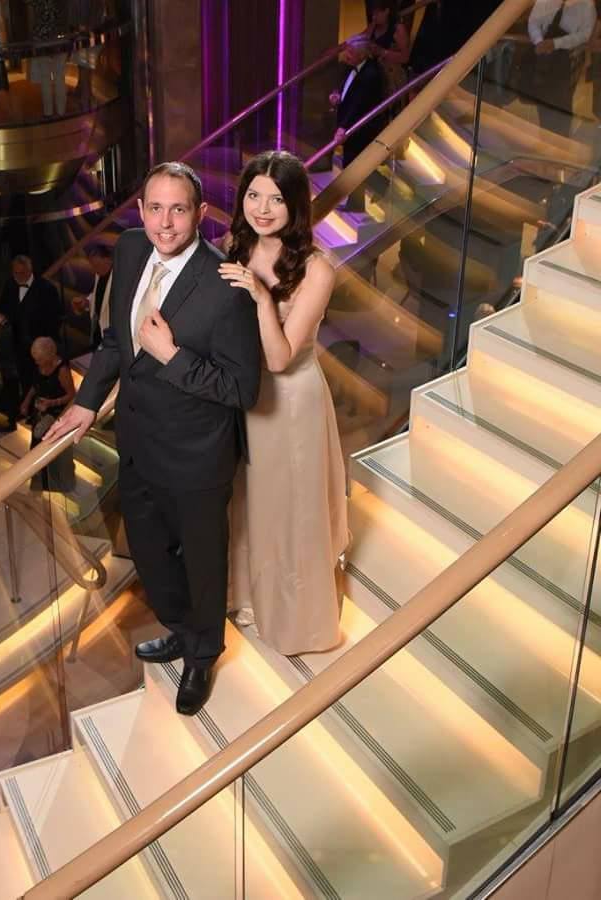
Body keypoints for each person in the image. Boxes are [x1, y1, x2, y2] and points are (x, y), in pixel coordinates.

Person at [43, 161, 261, 715]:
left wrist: (173, 357)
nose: (165, 223)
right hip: (138, 443)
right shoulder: (130, 249)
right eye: (156, 208)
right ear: (140, 210)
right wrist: (87, 400)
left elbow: (242, 389)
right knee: (148, 553)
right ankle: (182, 630)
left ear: (200, 214)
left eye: (178, 210)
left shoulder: (226, 286)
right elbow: (116, 340)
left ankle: (203, 654)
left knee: (203, 564)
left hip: (198, 456)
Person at [218, 150, 348, 657]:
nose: (262, 208)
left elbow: (279, 358)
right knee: (252, 501)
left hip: (291, 401)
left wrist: (259, 297)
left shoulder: (317, 269)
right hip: (244, 397)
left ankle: (297, 622)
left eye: (275, 199)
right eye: (253, 195)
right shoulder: (232, 247)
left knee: (291, 507)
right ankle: (252, 599)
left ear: (296, 205)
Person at [0, 254, 64, 430]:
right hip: (19, 346)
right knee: (25, 378)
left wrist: (47, 346)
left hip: (42, 346)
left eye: (21, 273)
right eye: (15, 273)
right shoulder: (10, 285)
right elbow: (1, 307)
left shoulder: (47, 289)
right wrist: (0, 316)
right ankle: (24, 412)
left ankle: (41, 415)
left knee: (42, 380)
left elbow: (55, 318)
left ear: (30, 270)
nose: (18, 277)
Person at [330, 36, 385, 211]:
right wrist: (338, 96)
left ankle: (381, 187)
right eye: (347, 51)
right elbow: (348, 92)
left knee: (355, 165)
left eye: (351, 52)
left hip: (362, 127)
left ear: (362, 55)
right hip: (353, 124)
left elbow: (358, 104)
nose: (347, 55)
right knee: (353, 164)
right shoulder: (351, 68)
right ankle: (358, 202)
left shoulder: (371, 74)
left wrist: (343, 127)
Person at [527, 0, 597, 136]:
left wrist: (556, 43)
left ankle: (560, 138)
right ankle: (545, 138)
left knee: (562, 103)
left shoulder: (587, 5)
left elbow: (584, 35)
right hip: (542, 57)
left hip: (567, 60)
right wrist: (539, 42)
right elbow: (533, 22)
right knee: (542, 101)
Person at [20, 336, 76, 492]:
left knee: (51, 451)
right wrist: (26, 402)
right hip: (40, 412)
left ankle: (57, 485)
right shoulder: (40, 366)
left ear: (49, 355)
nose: (36, 362)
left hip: (56, 414)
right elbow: (35, 385)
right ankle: (40, 484)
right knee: (36, 446)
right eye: (35, 359)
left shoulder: (62, 370)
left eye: (39, 359)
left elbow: (71, 394)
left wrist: (51, 403)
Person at [366, 0, 410, 107]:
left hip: (391, 79)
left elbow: (405, 57)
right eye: (373, 13)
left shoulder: (398, 29)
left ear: (386, 11)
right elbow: (361, 40)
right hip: (374, 77)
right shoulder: (373, 26)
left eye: (377, 13)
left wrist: (382, 52)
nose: (374, 17)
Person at [71, 244, 114, 351]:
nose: (94, 270)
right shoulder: (98, 275)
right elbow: (98, 295)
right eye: (92, 265)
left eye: (97, 265)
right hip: (98, 333)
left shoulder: (119, 276)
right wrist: (87, 302)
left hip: (112, 334)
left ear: (108, 260)